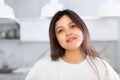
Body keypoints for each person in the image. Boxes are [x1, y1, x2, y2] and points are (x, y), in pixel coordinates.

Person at [25, 9, 120, 80]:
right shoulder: (42, 67)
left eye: (73, 26)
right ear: (56, 39)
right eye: (60, 30)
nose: (68, 33)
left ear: (83, 29)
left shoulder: (101, 67)